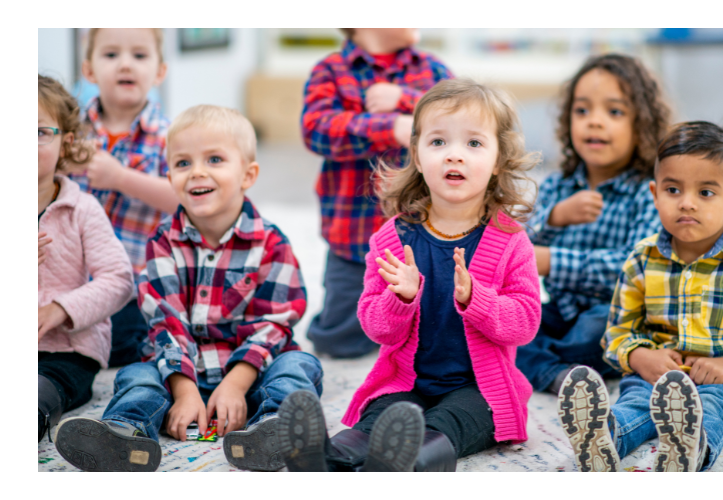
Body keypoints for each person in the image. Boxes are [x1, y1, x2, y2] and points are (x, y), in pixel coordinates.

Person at [276, 79, 542, 472]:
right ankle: (327, 457)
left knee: (449, 421)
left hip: (479, 389)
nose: (455, 156)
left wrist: (477, 300)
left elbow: (526, 323)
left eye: (473, 144)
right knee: (382, 415)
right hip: (408, 380)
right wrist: (398, 298)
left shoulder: (510, 241)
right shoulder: (391, 237)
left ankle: (408, 464)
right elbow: (376, 328)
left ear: (499, 159)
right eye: (438, 142)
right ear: (416, 154)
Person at [54, 105, 323, 472]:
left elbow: (274, 323)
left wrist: (235, 385)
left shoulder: (272, 243)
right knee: (136, 376)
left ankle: (276, 427)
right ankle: (125, 433)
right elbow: (166, 323)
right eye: (183, 163)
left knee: (298, 365)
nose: (197, 171)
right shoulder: (163, 241)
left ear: (248, 174)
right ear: (170, 177)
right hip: (177, 369)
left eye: (214, 159)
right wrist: (183, 389)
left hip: (252, 370)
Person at [558, 121, 723, 472]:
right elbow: (616, 332)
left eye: (706, 193)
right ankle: (603, 438)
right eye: (673, 190)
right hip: (655, 375)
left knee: (711, 408)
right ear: (655, 194)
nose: (687, 204)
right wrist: (639, 357)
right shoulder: (642, 259)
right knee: (635, 401)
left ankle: (690, 449)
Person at [515, 53, 671, 394]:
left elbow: (634, 268)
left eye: (614, 112)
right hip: (561, 309)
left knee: (593, 329)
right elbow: (513, 248)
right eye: (582, 110)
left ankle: (546, 365)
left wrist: (551, 260)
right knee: (504, 325)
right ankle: (561, 374)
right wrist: (555, 217)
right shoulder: (558, 185)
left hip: (618, 316)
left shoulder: (649, 191)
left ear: (641, 124)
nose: (594, 122)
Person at [302, 28, 452, 358]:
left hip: (423, 232)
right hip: (352, 237)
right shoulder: (330, 69)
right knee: (338, 339)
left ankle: (405, 335)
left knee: (436, 327)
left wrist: (404, 101)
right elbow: (316, 129)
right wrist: (389, 127)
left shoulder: (433, 70)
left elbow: (460, 114)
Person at [67, 28, 179, 366]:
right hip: (69, 276)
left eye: (140, 55)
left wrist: (121, 178)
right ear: (88, 70)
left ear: (160, 71)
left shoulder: (170, 135)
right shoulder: (70, 129)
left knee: (123, 346)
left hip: (131, 285)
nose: (125, 65)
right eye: (111, 54)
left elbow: (184, 197)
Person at [38, 75, 134, 442]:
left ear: (66, 143)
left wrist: (59, 310)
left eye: (40, 132)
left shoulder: (83, 208)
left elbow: (118, 279)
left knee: (41, 391)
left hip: (68, 351)